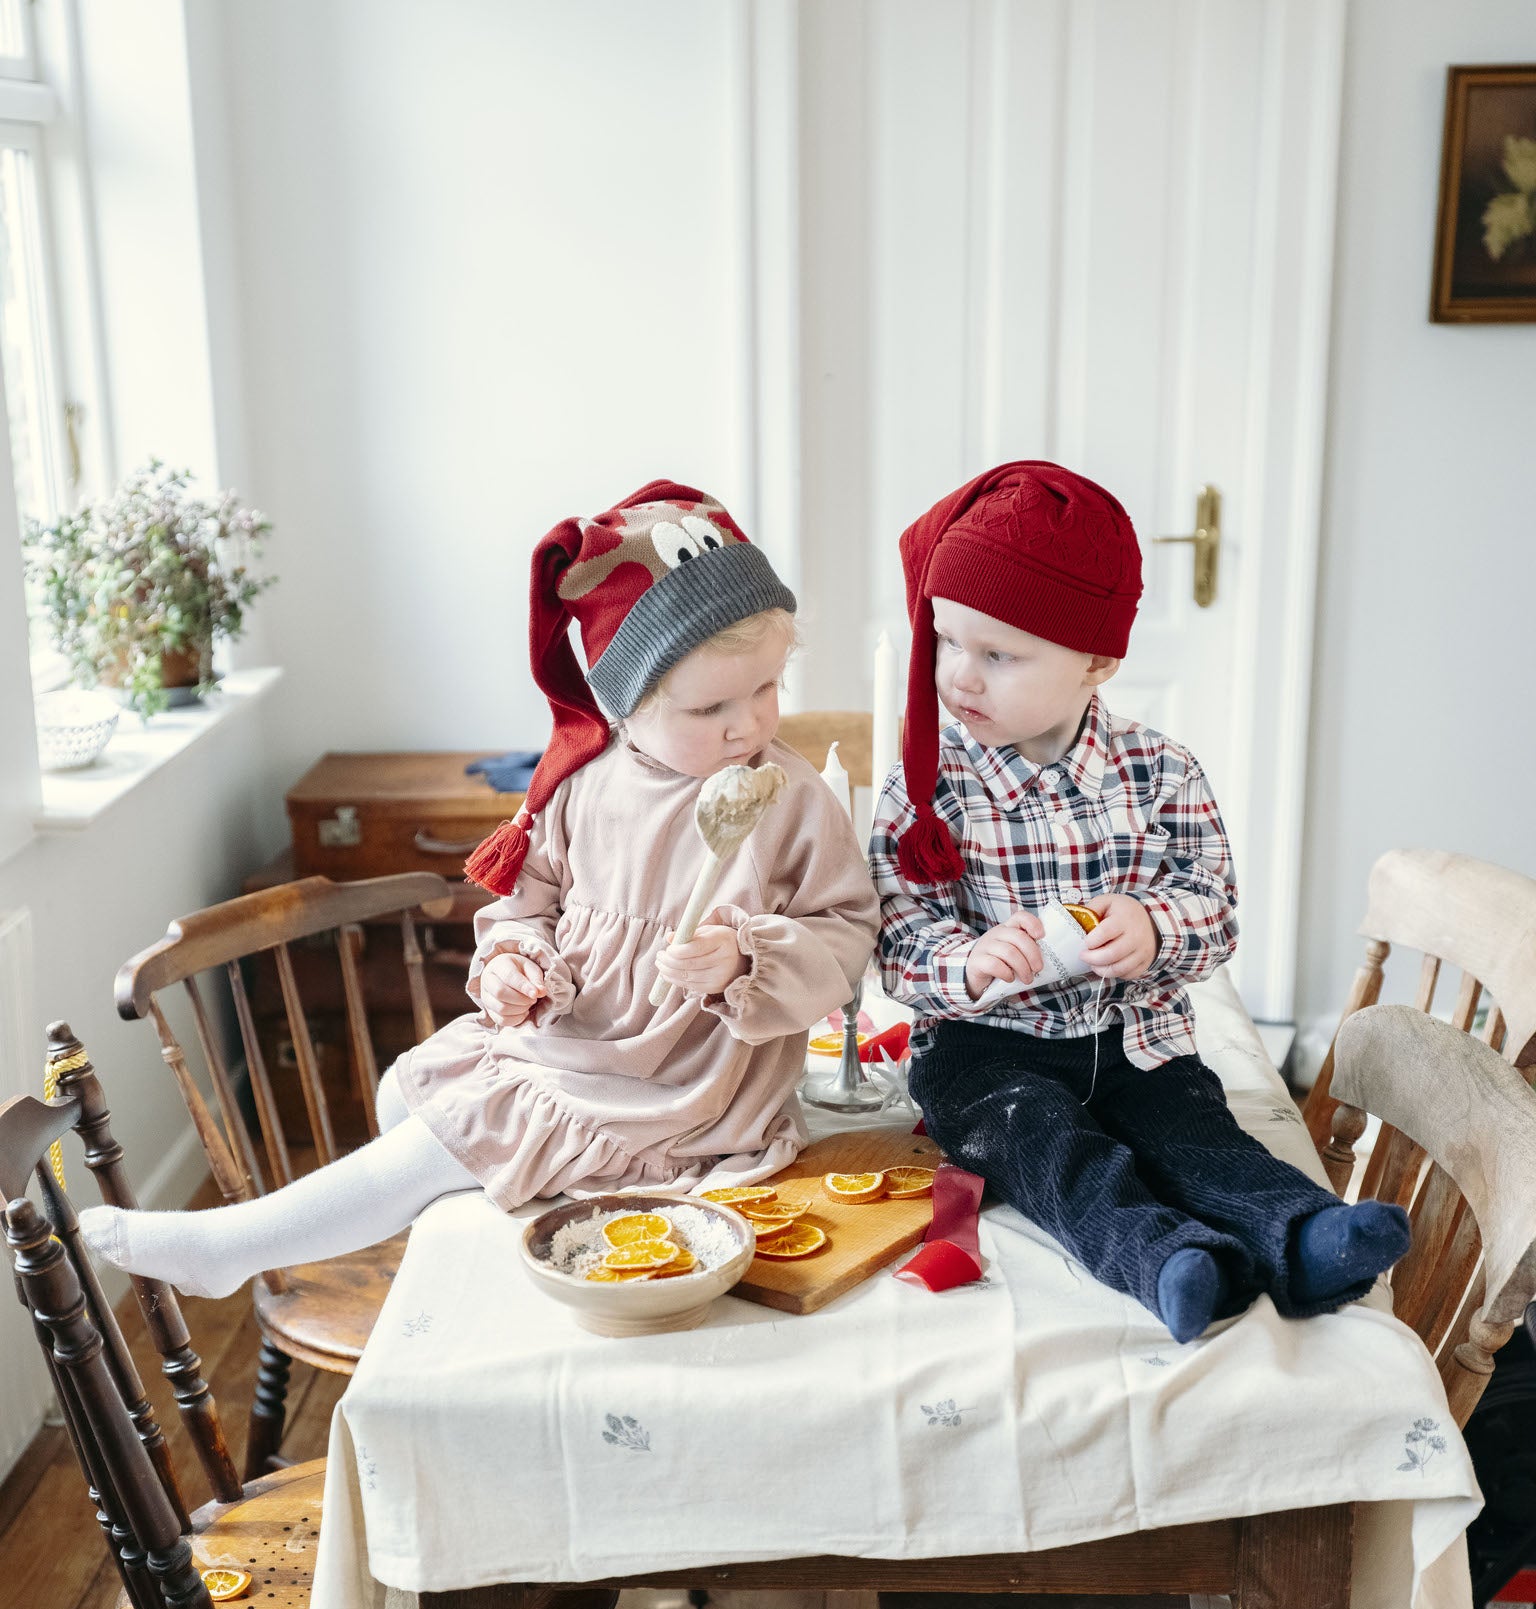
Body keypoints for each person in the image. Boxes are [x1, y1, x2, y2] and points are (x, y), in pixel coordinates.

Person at [82, 481, 878, 1297]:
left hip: (679, 1083)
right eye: (710, 706)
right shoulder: (581, 787)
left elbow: (847, 930)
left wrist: (744, 960)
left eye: (767, 690)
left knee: (451, 1133)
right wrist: (517, 963)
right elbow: (525, 906)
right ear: (623, 704)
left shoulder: (790, 800)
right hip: (575, 1039)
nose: (747, 724)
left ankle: (234, 1247)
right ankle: (456, 1233)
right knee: (404, 1092)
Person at [869, 460, 1408, 1343]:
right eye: (947, 641)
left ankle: (1306, 1234)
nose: (959, 677)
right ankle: (1168, 1262)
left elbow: (1215, 907)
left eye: (998, 654)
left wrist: (1156, 926)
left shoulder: (1161, 772)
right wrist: (966, 961)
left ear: (1098, 660)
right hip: (989, 1056)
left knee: (1197, 1135)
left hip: (1136, 1041)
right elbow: (897, 940)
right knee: (1052, 1153)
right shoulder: (928, 786)